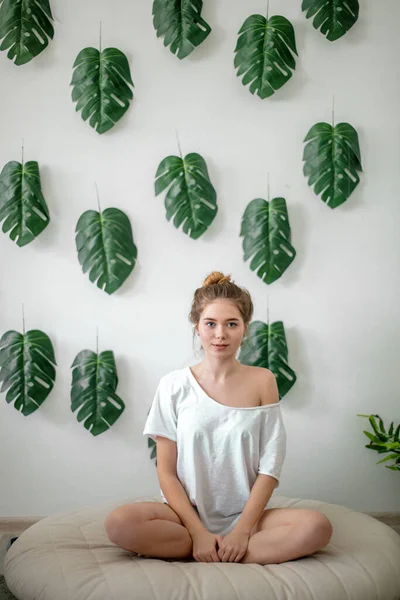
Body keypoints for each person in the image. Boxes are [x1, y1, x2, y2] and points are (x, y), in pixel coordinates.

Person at [105, 271, 333, 565]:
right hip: (184, 517)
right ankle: (206, 546)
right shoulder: (173, 385)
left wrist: (242, 530)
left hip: (248, 516)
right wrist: (197, 531)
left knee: (317, 527)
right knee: (119, 523)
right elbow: (166, 473)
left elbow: (270, 466)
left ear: (245, 328)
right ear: (197, 327)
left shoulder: (263, 381)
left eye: (231, 324)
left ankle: (221, 548)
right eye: (210, 323)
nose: (220, 334)